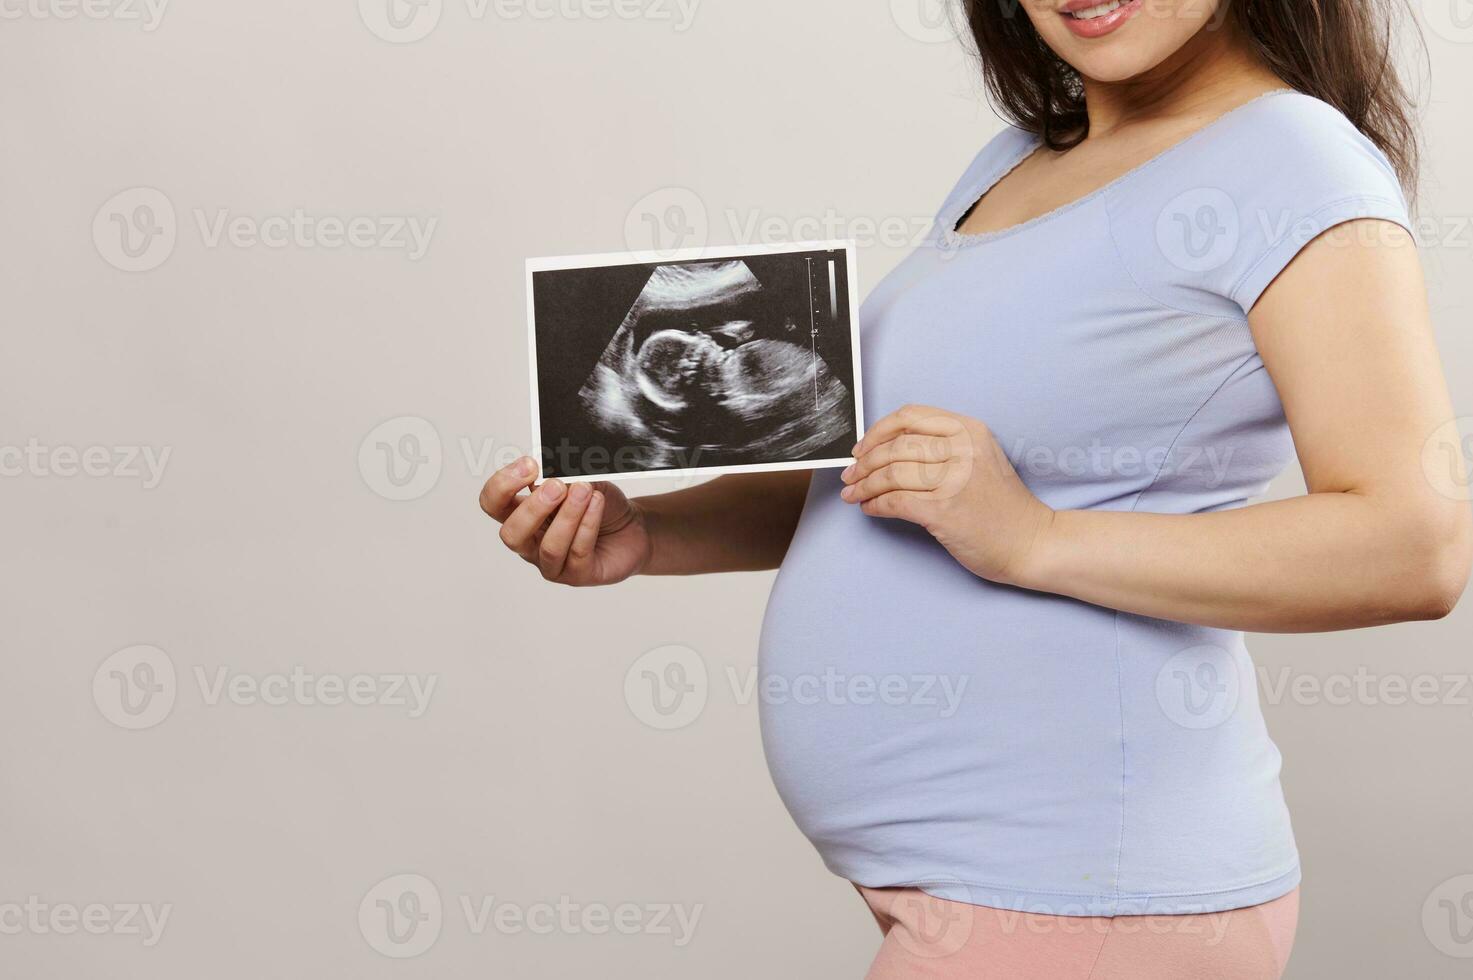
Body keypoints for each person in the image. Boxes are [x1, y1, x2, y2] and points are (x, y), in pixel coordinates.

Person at [481, 1, 1471, 975]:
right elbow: (875, 479)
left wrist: (1036, 534)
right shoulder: (1017, 159)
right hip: (989, 890)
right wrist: (648, 531)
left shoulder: (1293, 156)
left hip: (1091, 888)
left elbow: (1415, 543)